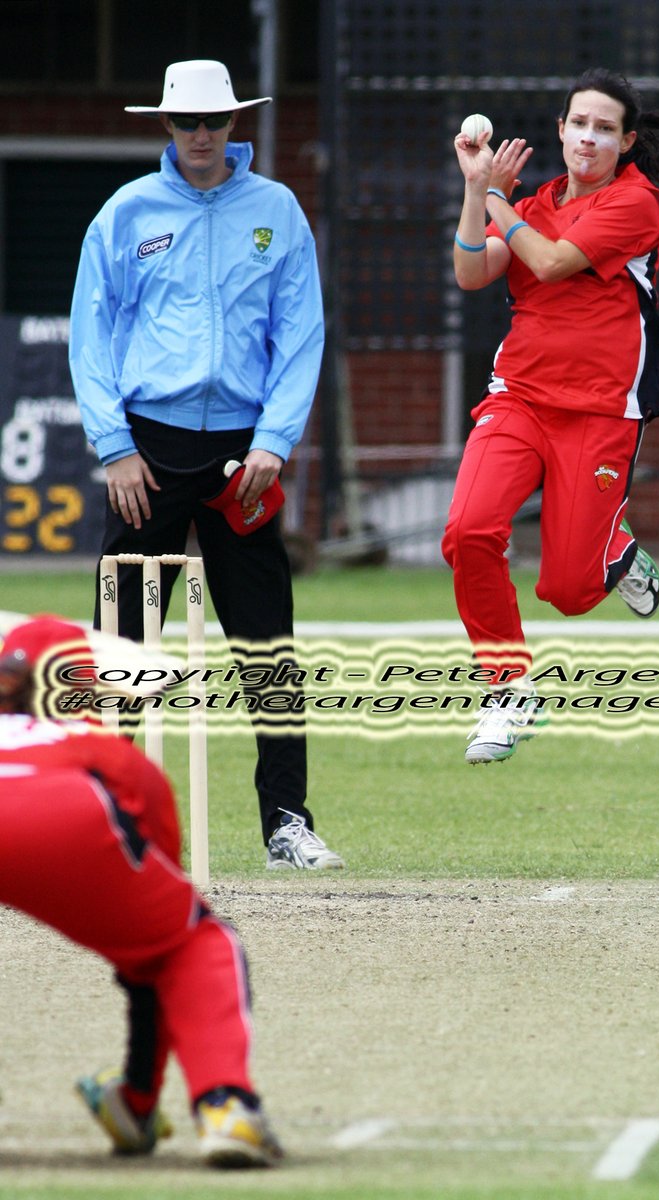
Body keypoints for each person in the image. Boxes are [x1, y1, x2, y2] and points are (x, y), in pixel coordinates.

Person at [68, 60, 343, 869]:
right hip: (146, 451)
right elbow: (91, 336)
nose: (200, 135)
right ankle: (101, 817)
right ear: (164, 125)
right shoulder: (126, 213)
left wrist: (275, 440)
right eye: (185, 122)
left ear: (236, 124)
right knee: (123, 642)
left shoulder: (277, 211)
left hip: (242, 455)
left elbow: (300, 335)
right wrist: (113, 445)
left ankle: (287, 822)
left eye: (214, 122)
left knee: (267, 640)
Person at [443, 68, 659, 764]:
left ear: (625, 140)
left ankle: (616, 552)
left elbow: (549, 262)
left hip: (602, 408)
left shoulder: (639, 203)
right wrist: (474, 190)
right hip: (518, 394)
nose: (588, 136)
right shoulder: (538, 200)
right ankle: (506, 689)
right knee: (467, 531)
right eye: (578, 123)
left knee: (569, 592)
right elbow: (470, 272)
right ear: (559, 129)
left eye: (604, 127)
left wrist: (496, 198)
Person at [0, 615, 282, 1167]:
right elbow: (160, 947)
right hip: (60, 809)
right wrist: (139, 1097)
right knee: (194, 943)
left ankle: (136, 1105)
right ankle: (225, 1105)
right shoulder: (94, 742)